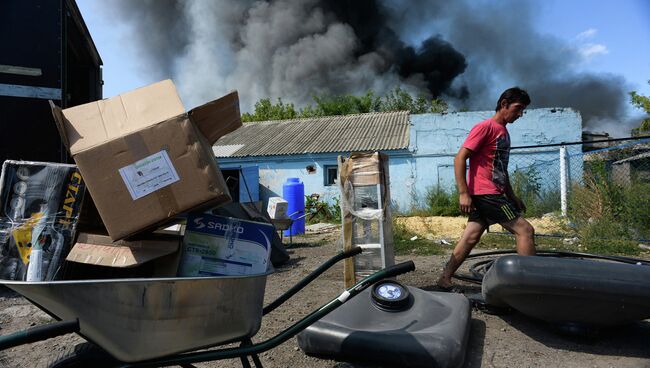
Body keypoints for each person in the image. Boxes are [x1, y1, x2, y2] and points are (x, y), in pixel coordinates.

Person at [437, 87, 536, 291]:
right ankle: (529, 284)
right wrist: (464, 193)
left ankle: (445, 277)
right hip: (487, 194)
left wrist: (512, 195)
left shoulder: (504, 133)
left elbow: (501, 169)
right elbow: (459, 158)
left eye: (523, 110)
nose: (520, 114)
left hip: (492, 193)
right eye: (518, 108)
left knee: (471, 236)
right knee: (525, 230)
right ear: (504, 104)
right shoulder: (486, 127)